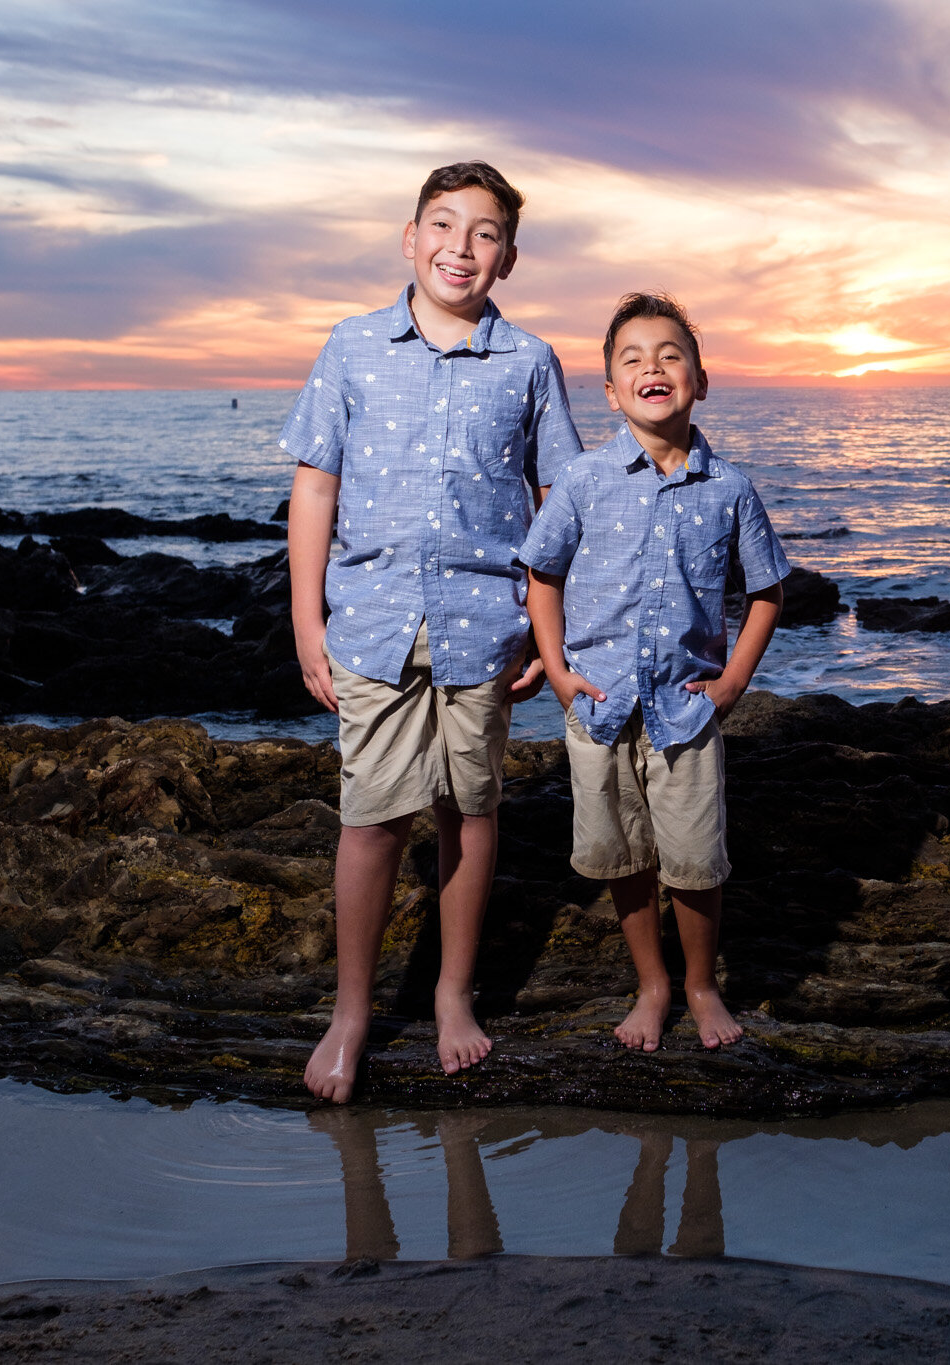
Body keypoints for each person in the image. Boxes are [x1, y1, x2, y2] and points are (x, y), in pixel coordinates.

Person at [279, 161, 582, 1100]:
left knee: (470, 808)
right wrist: (305, 620)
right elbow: (315, 486)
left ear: (509, 258)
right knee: (370, 817)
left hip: (484, 628)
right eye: (443, 226)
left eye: (484, 232)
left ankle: (454, 994)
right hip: (369, 624)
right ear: (409, 239)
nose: (461, 246)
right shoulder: (352, 346)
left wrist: (547, 633)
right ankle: (353, 1012)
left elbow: (558, 504)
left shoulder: (528, 363)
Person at [518, 292, 787, 1052]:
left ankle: (701, 984)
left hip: (688, 711)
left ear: (700, 378)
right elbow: (543, 573)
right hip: (597, 704)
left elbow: (766, 591)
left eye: (670, 354)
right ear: (609, 390)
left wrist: (732, 683)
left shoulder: (729, 489)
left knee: (696, 859)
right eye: (632, 359)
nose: (652, 368)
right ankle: (652, 983)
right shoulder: (582, 480)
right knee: (621, 853)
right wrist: (557, 668)